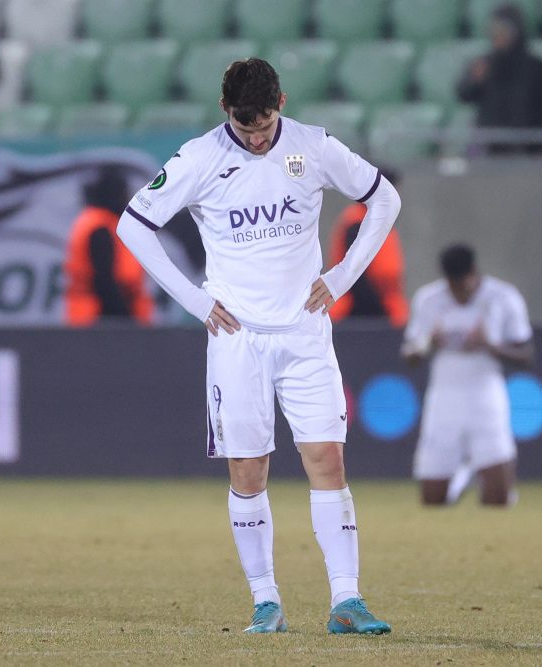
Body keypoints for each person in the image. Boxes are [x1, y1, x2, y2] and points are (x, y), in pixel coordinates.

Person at [116, 58, 398, 634]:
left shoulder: (313, 146)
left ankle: (346, 600)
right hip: (236, 338)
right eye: (246, 130)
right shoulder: (198, 159)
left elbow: (384, 199)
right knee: (249, 470)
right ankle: (265, 601)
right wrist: (194, 301)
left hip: (303, 330)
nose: (258, 138)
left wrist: (341, 278)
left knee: (328, 458)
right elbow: (133, 225)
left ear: (282, 103)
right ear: (226, 112)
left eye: (265, 125)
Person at [401, 244, 534, 507]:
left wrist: (490, 346)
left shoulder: (503, 297)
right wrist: (429, 344)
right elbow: (408, 356)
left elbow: (527, 356)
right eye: (451, 286)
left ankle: (480, 473)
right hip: (443, 398)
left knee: (498, 500)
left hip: (486, 396)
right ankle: (460, 480)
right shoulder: (429, 299)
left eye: (462, 286)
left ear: (474, 274)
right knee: (432, 500)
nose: (457, 293)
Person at [456, 3, 542, 148]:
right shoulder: (484, 64)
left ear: (516, 31)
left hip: (527, 150)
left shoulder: (537, 67)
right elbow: (463, 95)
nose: (497, 35)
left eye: (503, 29)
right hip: (490, 149)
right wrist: (474, 80)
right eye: (494, 29)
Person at [64, 167, 154, 326]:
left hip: (94, 318)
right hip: (99, 320)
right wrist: (127, 319)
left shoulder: (100, 222)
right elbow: (103, 282)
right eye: (123, 193)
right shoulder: (100, 228)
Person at [327, 168, 408, 327]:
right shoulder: (357, 222)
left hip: (384, 310)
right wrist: (379, 311)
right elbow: (356, 273)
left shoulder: (379, 218)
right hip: (360, 313)